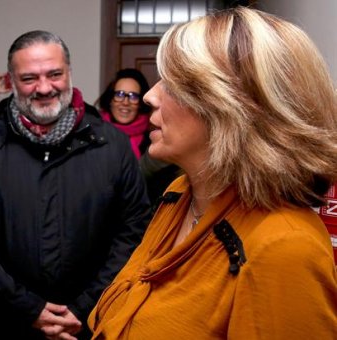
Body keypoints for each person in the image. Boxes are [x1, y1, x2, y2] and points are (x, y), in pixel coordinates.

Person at [89, 7, 337, 339]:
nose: (149, 96)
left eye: (174, 84)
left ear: (232, 107)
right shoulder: (181, 193)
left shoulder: (284, 249)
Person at [0, 30, 151, 340]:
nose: (44, 88)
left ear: (69, 73)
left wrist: (82, 308)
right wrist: (29, 308)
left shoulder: (112, 146)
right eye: (29, 78)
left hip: (90, 323)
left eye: (54, 74)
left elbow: (133, 233)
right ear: (11, 82)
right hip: (2, 323)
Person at [98, 68, 179, 205]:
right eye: (119, 94)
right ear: (110, 99)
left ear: (141, 104)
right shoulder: (92, 136)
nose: (125, 102)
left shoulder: (154, 142)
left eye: (133, 96)